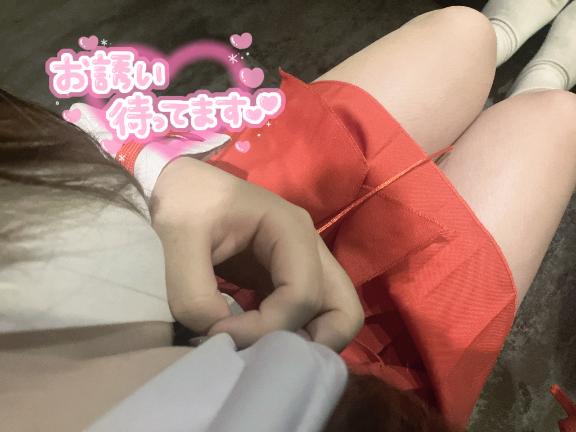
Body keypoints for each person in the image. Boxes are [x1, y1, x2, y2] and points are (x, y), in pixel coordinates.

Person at [1, 5, 576, 431]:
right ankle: (542, 79)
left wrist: (159, 181)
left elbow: (45, 149)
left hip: (218, 224)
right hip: (363, 393)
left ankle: (503, 41)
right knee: (553, 118)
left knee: (463, 32)